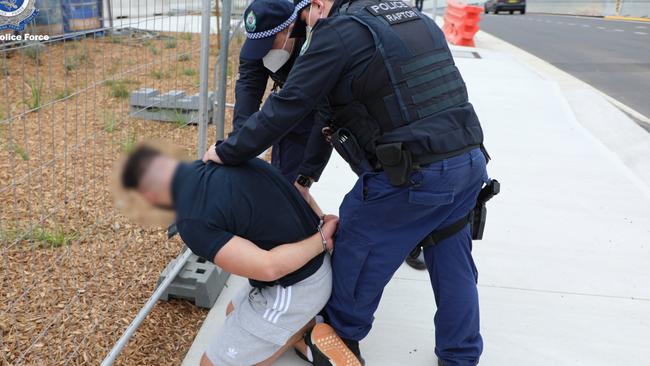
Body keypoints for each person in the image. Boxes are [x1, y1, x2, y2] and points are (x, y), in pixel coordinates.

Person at [204, 0, 490, 365]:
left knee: (357, 244)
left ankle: (338, 337)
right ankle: (461, 355)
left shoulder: (337, 33)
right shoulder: (409, 16)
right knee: (453, 262)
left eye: (307, 10)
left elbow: (290, 105)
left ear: (321, 5)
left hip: (413, 176)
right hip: (468, 161)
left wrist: (228, 152)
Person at [119, 144, 340, 366]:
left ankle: (299, 329)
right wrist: (322, 225)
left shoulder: (192, 221)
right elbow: (294, 195)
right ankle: (294, 328)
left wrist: (322, 240)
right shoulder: (221, 157)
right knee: (231, 311)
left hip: (300, 284)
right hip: (310, 263)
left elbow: (268, 267)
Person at [234, 0, 332, 184]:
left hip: (321, 105)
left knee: (297, 182)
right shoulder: (260, 37)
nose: (265, 52)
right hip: (287, 100)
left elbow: (327, 113)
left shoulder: (318, 45)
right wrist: (240, 146)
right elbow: (248, 87)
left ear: (291, 28)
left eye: (271, 44)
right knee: (283, 179)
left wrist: (307, 174)